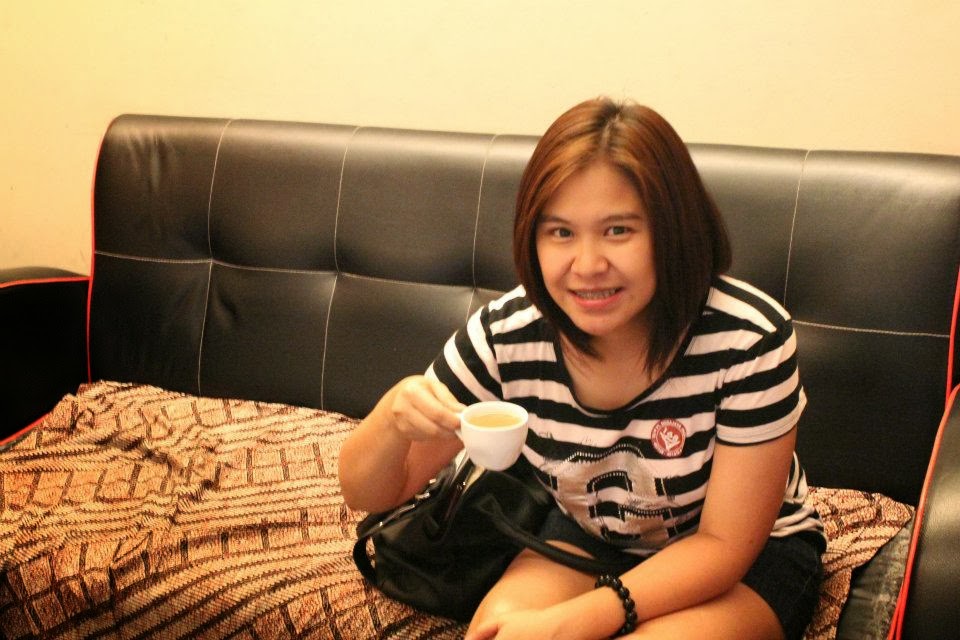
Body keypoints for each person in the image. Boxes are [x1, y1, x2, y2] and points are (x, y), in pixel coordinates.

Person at [339, 97, 825, 640]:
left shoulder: (748, 338)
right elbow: (367, 493)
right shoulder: (508, 335)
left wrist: (578, 620)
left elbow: (724, 545)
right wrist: (392, 418)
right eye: (561, 232)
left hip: (749, 556)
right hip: (591, 537)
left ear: (673, 230)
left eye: (618, 230)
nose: (588, 266)